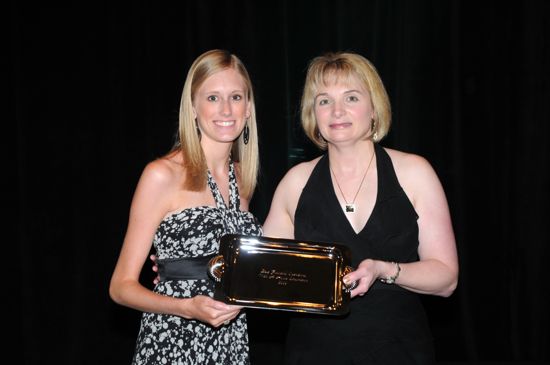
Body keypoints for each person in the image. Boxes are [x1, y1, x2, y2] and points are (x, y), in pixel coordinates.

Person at [262, 51, 459, 364]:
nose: (337, 110)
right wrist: (187, 271)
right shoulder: (295, 182)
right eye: (324, 100)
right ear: (314, 114)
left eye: (351, 97)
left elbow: (447, 279)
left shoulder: (414, 172)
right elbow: (264, 276)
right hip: (312, 354)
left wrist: (385, 270)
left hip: (399, 351)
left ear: (374, 109)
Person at [109, 49, 262, 365]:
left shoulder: (243, 179)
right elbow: (120, 287)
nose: (226, 109)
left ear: (248, 108)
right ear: (193, 107)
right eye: (212, 98)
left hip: (231, 346)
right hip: (172, 342)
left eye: (235, 97)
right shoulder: (162, 174)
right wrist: (186, 306)